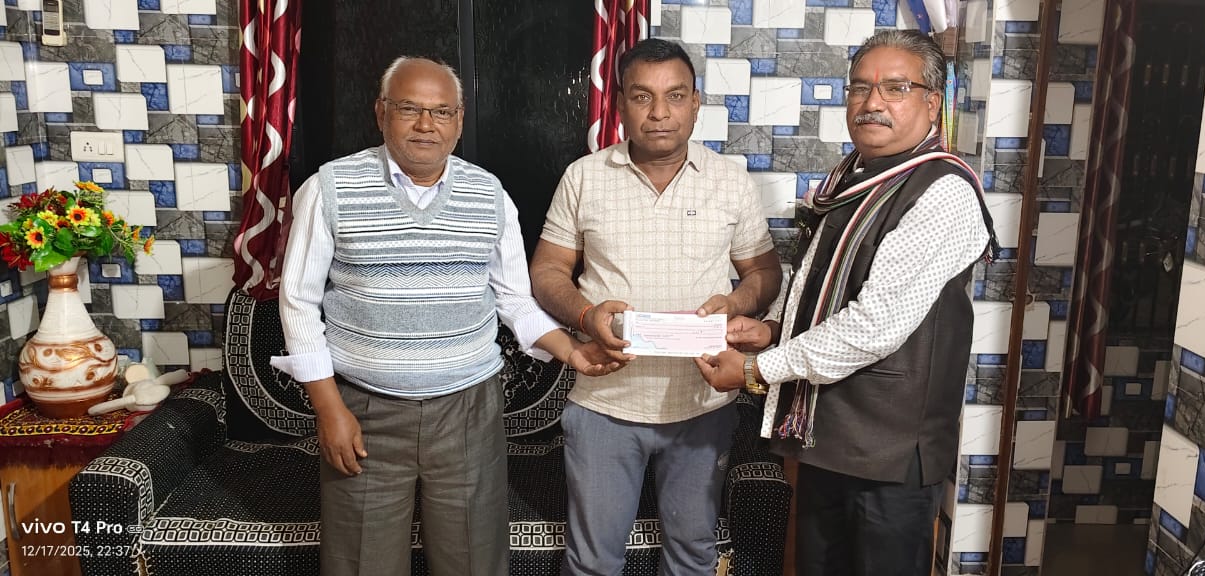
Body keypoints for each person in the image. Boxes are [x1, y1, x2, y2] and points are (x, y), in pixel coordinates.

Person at [271, 57, 621, 576]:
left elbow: (514, 299)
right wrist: (328, 409)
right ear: (381, 113)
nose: (425, 124)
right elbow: (298, 302)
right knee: (363, 563)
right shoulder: (330, 188)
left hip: (468, 411)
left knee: (473, 560)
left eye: (440, 112)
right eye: (408, 109)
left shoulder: (489, 195)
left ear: (459, 121)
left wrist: (572, 351)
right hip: (364, 408)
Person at [693, 30, 998, 576]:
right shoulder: (851, 179)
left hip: (889, 454)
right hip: (828, 438)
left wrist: (759, 369)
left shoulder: (942, 191)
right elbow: (821, 284)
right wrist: (771, 330)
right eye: (860, 87)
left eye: (895, 88)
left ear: (932, 102)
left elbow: (872, 326)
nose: (872, 102)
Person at [529, 38, 783, 575]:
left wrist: (736, 301)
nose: (660, 112)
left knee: (692, 556)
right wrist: (585, 316)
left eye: (676, 95)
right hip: (605, 402)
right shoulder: (584, 176)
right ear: (620, 103)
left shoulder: (730, 180)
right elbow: (547, 271)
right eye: (643, 97)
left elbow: (764, 274)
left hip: (702, 403)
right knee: (592, 561)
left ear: (696, 103)